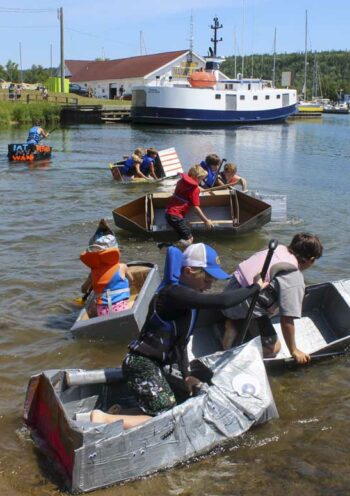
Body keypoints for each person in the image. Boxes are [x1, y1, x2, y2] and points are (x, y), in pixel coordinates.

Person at [90, 243, 267, 429]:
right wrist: (254, 287)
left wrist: (186, 375)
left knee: (172, 401)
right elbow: (221, 301)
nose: (210, 285)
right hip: (141, 364)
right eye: (207, 279)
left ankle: (117, 414)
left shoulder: (187, 301)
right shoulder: (173, 294)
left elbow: (181, 345)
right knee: (166, 414)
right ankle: (103, 419)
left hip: (153, 365)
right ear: (189, 271)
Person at [220, 233, 324, 364]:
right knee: (273, 348)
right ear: (312, 259)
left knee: (276, 295)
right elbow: (287, 319)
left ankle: (233, 323)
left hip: (227, 297)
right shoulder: (293, 277)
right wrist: (294, 350)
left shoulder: (274, 249)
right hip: (240, 308)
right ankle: (234, 352)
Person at [79, 220, 131, 316]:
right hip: (121, 309)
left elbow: (83, 289)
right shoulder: (122, 267)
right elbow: (132, 281)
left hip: (102, 312)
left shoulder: (93, 273)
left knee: (96, 303)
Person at [165, 164, 214, 246]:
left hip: (169, 213)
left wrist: (201, 189)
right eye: (201, 179)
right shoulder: (194, 190)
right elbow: (195, 207)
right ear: (197, 177)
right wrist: (206, 221)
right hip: (176, 216)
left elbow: (191, 189)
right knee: (189, 239)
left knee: (183, 237)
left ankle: (177, 249)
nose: (201, 182)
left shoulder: (181, 182)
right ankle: (169, 248)